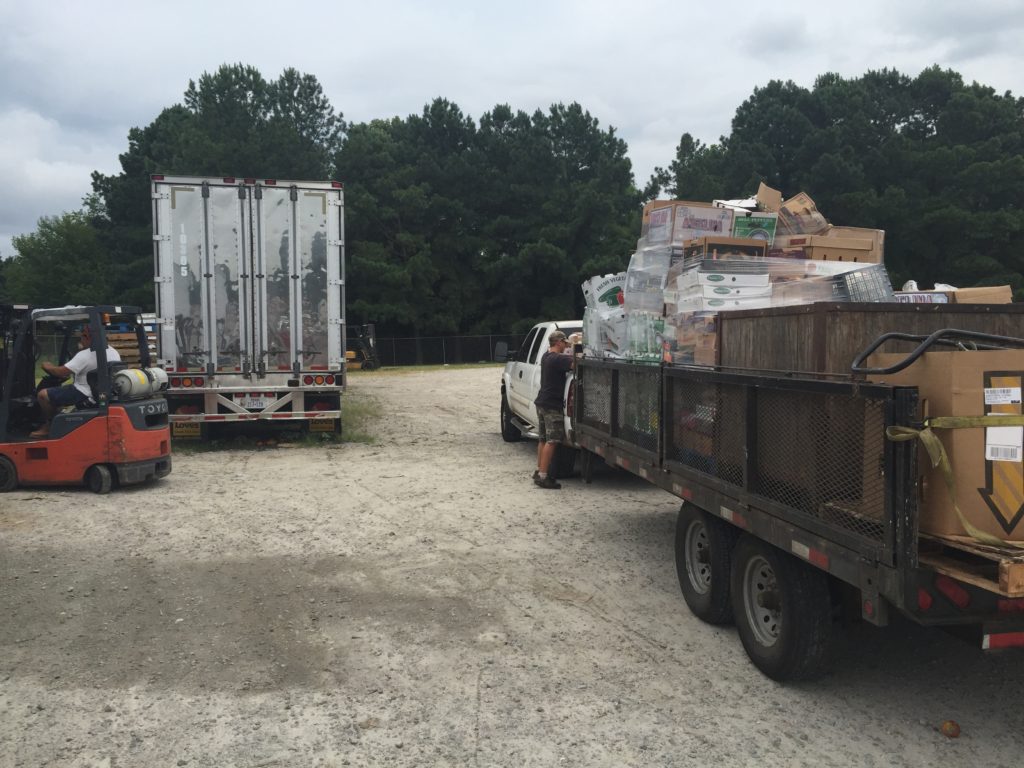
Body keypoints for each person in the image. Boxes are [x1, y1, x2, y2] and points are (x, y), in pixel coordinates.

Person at [31, 325, 121, 439]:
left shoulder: (85, 354)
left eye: (82, 337)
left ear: (88, 337)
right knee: (59, 397)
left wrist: (47, 366)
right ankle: (59, 418)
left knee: (43, 395)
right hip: (100, 391)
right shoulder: (113, 352)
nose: (80, 340)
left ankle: (49, 425)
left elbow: (61, 372)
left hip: (83, 392)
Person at [532, 329, 576, 489]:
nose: (566, 346)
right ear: (559, 343)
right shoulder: (558, 359)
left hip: (542, 402)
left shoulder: (546, 356)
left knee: (543, 439)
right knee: (553, 440)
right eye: (565, 343)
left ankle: (539, 471)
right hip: (552, 406)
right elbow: (576, 364)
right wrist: (577, 348)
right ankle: (544, 476)